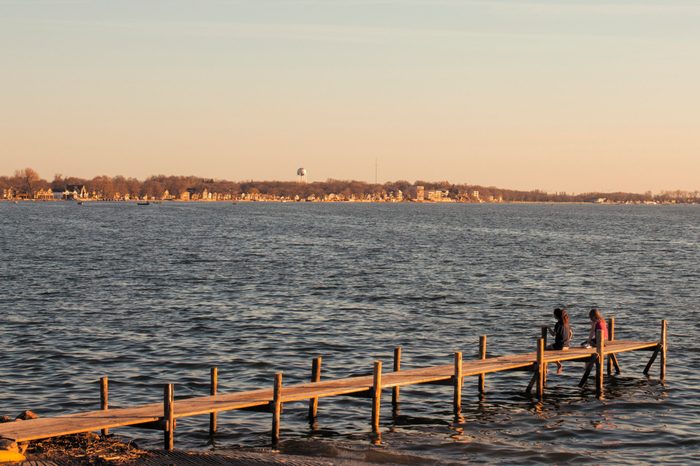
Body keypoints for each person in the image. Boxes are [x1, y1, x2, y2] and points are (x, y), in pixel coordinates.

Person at [546, 308, 572, 373]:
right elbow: (571, 333)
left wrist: (548, 327)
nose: (553, 316)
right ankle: (557, 363)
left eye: (554, 315)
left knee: (544, 350)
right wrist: (568, 340)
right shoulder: (567, 323)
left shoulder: (558, 324)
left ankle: (546, 367)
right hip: (567, 346)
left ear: (556, 316)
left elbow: (553, 334)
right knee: (551, 349)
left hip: (560, 346)